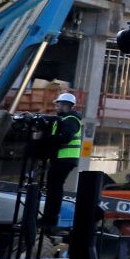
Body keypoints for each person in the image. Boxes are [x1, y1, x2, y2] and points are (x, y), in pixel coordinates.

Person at [40, 91, 83, 235]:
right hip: (61, 159)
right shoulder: (64, 119)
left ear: (66, 105)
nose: (56, 106)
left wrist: (45, 140)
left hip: (64, 159)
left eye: (58, 104)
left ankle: (50, 218)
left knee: (55, 187)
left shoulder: (70, 120)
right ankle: (49, 217)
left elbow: (65, 137)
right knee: (53, 187)